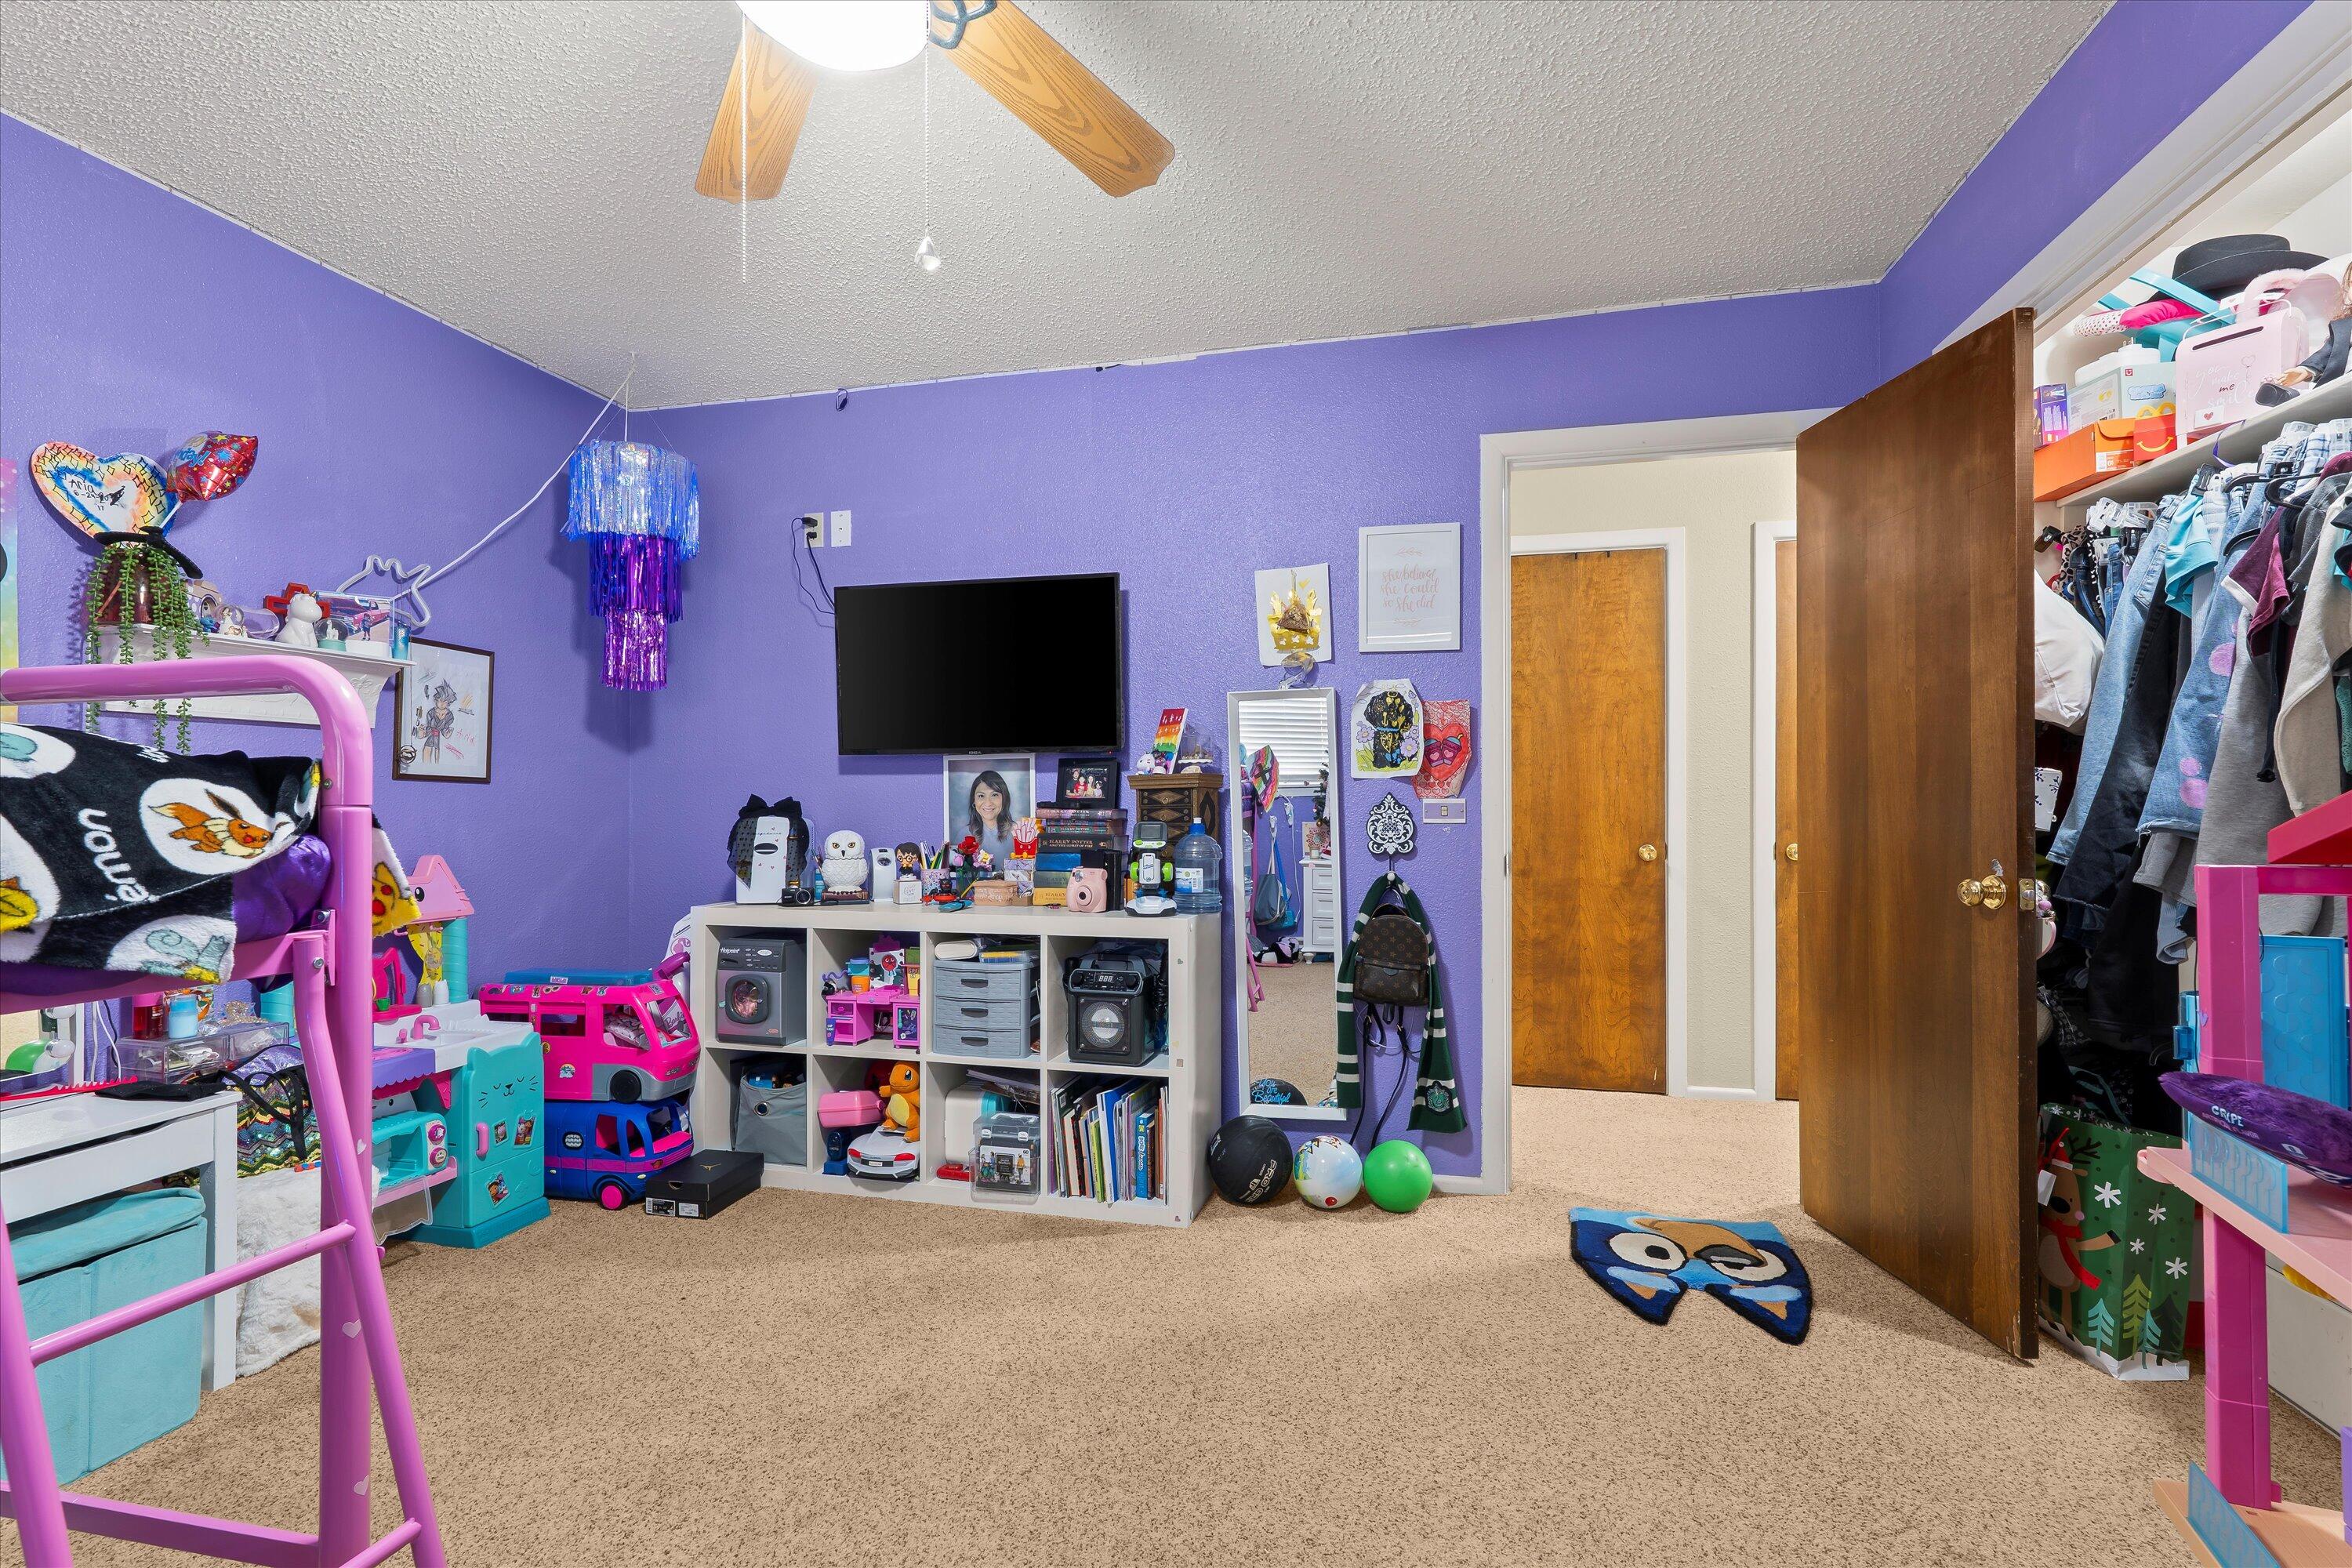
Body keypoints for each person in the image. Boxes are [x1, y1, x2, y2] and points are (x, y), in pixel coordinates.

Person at [964, 768, 1019, 869]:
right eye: (981, 796)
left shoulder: (1018, 832)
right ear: (974, 801)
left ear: (1004, 799)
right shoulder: (964, 833)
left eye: (994, 795)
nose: (988, 803)